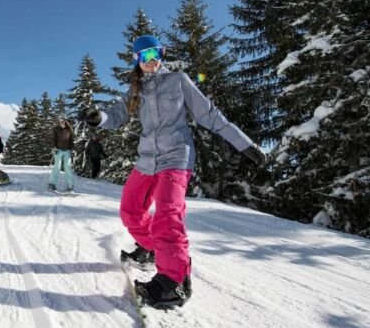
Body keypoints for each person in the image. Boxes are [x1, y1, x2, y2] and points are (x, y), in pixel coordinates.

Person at [79, 35, 266, 309]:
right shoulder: (135, 90)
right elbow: (116, 115)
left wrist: (245, 145)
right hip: (146, 160)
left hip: (177, 157)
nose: (152, 61)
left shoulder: (178, 80)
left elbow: (210, 115)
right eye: (145, 57)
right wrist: (98, 118)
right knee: (130, 211)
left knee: (167, 214)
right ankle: (153, 250)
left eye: (156, 54)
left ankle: (174, 282)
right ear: (137, 60)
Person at [48, 117, 74, 192]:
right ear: (58, 121)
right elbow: (53, 139)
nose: (61, 121)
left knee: (68, 168)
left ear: (65, 121)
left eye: (63, 120)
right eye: (60, 120)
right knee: (57, 167)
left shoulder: (69, 129)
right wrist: (54, 147)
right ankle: (52, 184)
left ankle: (70, 185)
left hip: (67, 151)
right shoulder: (56, 129)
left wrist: (72, 149)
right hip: (58, 150)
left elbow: (71, 140)